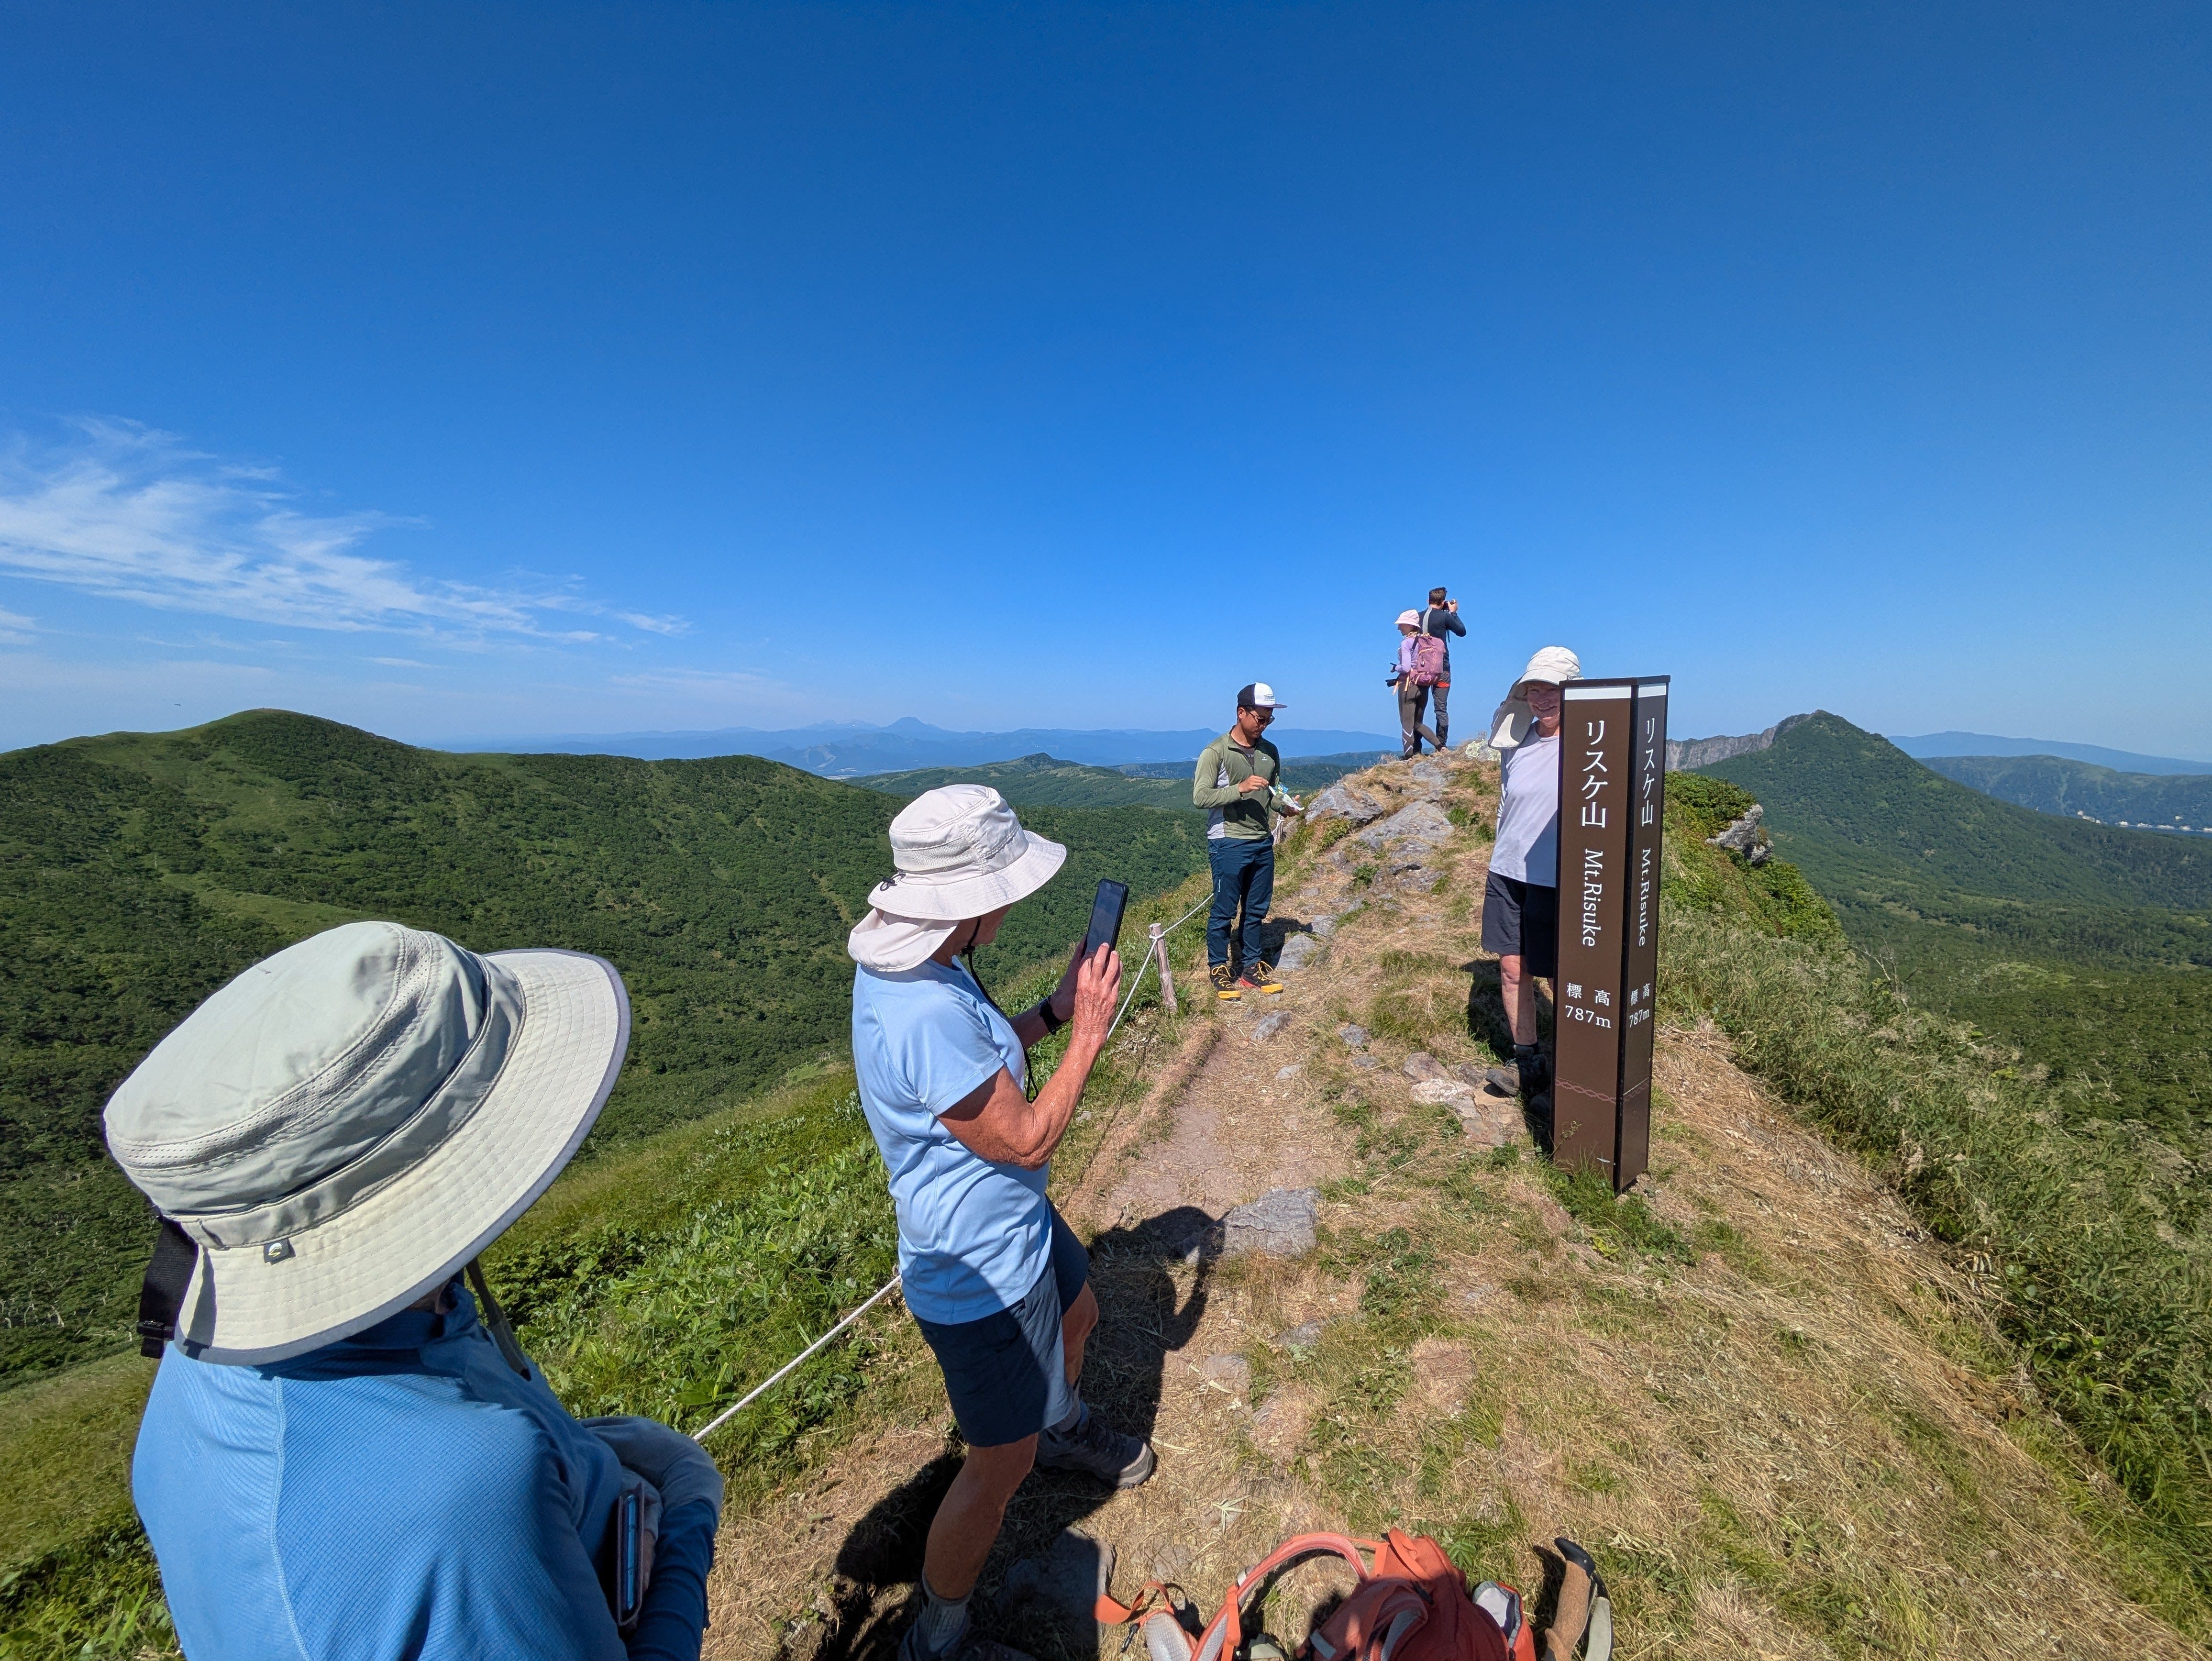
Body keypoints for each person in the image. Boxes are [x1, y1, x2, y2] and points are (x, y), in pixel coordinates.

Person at [107, 920, 722, 1661]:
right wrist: (686, 1520)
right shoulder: (470, 1491)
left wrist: (575, 1457)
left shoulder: (197, 1375)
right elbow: (444, 1500)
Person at [846, 786, 1155, 1661]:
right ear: (969, 900)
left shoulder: (922, 967)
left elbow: (981, 1071)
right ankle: (937, 1626)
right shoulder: (922, 1007)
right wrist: (1092, 1029)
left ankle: (1060, 1424)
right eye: (1004, 886)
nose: (1014, 901)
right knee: (994, 1466)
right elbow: (1022, 1136)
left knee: (1080, 1312)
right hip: (976, 1265)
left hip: (1012, 1225)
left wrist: (1053, 1012)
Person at [1482, 646, 1582, 1103]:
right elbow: (1508, 803)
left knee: (1565, 976)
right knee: (1511, 968)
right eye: (1534, 689)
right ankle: (1528, 1060)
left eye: (1552, 689)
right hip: (1508, 871)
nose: (1542, 698)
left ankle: (1577, 1064)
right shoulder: (1516, 742)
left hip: (1558, 877)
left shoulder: (1591, 748)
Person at [1194, 682, 1302, 998]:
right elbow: (1200, 797)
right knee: (1225, 909)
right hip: (1227, 841)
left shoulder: (1270, 752)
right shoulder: (1216, 752)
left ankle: (1251, 968)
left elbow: (1275, 791)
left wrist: (1287, 806)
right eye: (1260, 718)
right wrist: (1238, 789)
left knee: (1256, 909)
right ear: (1241, 713)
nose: (1264, 725)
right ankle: (1219, 967)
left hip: (1260, 840)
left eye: (1269, 719)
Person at [1418, 587, 1468, 747]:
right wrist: (1453, 613)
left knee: (1419, 708)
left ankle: (1416, 746)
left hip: (1421, 670)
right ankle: (1441, 745)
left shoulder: (1417, 617)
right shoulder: (1445, 616)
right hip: (1442, 669)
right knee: (1441, 709)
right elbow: (1462, 632)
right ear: (1442, 602)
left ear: (1428, 601)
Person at [1391, 610, 1443, 758]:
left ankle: (1408, 757)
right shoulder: (1425, 641)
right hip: (1424, 685)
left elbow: (1406, 668)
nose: (1399, 628)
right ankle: (1441, 747)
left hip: (1409, 686)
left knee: (1407, 723)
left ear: (1409, 625)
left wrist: (1395, 668)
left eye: (1401, 625)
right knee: (1418, 723)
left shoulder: (1407, 643)